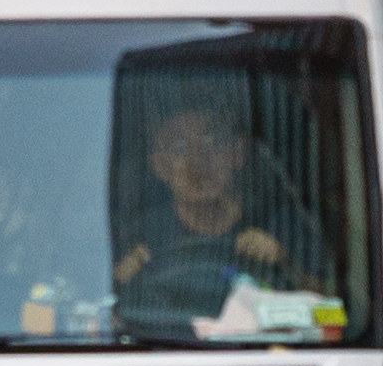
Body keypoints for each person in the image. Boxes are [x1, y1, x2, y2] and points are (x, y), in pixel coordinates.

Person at [113, 100, 337, 325]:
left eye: (213, 143)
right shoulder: (136, 237)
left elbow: (335, 314)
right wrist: (120, 282)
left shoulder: (283, 225)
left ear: (237, 153)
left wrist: (287, 264)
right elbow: (99, 318)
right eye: (179, 147)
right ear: (161, 166)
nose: (198, 161)